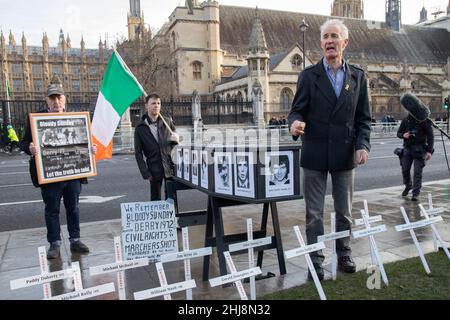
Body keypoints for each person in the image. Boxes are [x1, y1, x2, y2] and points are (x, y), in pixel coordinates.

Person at [288, 19, 371, 280]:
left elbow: (363, 119)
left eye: (335, 36)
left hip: (344, 154)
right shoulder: (308, 76)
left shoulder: (358, 76)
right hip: (314, 153)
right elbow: (296, 110)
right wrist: (295, 124)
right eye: (325, 37)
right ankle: (315, 259)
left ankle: (344, 252)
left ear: (345, 43)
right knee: (313, 214)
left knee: (344, 211)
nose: (329, 41)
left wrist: (362, 145)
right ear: (321, 43)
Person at [19, 77, 95, 259]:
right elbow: (23, 142)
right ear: (46, 100)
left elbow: (86, 143)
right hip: (50, 175)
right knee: (52, 210)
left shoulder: (76, 119)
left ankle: (75, 240)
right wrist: (29, 148)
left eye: (59, 97)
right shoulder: (34, 119)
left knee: (73, 208)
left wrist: (91, 149)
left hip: (72, 174)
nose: (56, 101)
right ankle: (54, 243)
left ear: (65, 99)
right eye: (52, 98)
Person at [134, 93, 179, 201]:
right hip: (153, 169)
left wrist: (177, 139)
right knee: (155, 200)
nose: (156, 106)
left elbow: (176, 144)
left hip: (169, 167)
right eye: (153, 103)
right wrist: (145, 172)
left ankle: (171, 217)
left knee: (171, 198)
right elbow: (138, 153)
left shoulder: (167, 121)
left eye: (158, 103)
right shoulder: (140, 127)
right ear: (147, 106)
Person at [397, 113, 434, 201]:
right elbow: (398, 133)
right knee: (405, 170)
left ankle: (415, 193)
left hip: (420, 149)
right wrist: (403, 135)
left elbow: (430, 136)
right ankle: (408, 185)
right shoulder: (406, 120)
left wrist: (429, 151)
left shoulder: (424, 120)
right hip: (407, 149)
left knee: (417, 172)